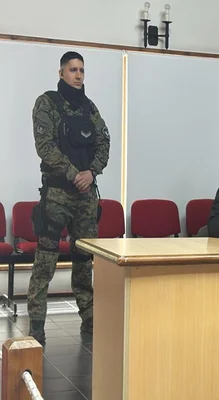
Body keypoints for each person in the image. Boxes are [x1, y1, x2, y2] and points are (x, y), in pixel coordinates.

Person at [29, 51, 111, 344]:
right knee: (45, 261)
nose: (78, 75)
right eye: (73, 70)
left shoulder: (89, 108)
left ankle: (90, 320)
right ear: (61, 72)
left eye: (82, 70)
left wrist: (91, 172)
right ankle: (36, 325)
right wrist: (74, 173)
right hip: (57, 196)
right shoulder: (47, 103)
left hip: (86, 197)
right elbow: (45, 146)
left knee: (84, 261)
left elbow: (104, 142)